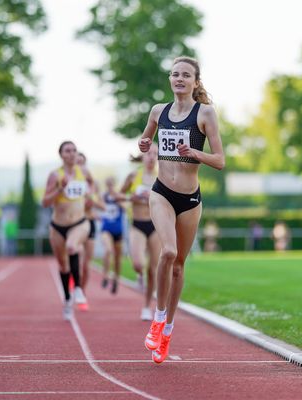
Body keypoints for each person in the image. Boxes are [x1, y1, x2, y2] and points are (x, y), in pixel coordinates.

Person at [139, 56, 224, 364]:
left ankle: (168, 331)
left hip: (189, 199)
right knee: (167, 253)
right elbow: (146, 137)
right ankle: (158, 318)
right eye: (175, 74)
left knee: (178, 266)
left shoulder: (206, 114)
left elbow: (220, 160)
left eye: (185, 75)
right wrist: (144, 143)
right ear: (170, 79)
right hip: (161, 192)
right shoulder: (158, 111)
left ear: (195, 82)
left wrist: (194, 153)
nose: (179, 79)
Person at [41, 141, 93, 320]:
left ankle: (78, 288)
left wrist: (90, 197)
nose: (71, 154)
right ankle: (68, 299)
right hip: (57, 226)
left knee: (72, 247)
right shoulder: (55, 175)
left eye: (74, 150)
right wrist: (60, 189)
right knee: (63, 265)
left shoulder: (83, 172)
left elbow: (91, 185)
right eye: (67, 151)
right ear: (61, 155)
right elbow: (45, 202)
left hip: (79, 222)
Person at [120, 144, 161, 321]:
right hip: (137, 224)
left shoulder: (163, 176)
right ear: (142, 157)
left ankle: (146, 306)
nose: (151, 157)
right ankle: (139, 274)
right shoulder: (133, 176)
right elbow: (119, 195)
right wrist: (131, 198)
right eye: (148, 153)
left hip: (157, 225)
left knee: (153, 268)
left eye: (155, 154)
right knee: (138, 263)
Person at [77, 152, 105, 310]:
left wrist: (92, 202)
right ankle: (74, 283)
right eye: (77, 163)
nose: (80, 166)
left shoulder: (94, 185)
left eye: (82, 163)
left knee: (86, 265)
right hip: (76, 223)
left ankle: (82, 291)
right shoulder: (71, 183)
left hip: (90, 223)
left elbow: (102, 206)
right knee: (78, 255)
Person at [100, 176, 126, 295]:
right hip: (106, 229)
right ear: (106, 185)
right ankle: (105, 275)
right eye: (108, 184)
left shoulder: (119, 196)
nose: (110, 187)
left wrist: (119, 201)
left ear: (114, 185)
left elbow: (126, 208)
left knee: (117, 259)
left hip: (118, 230)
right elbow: (98, 205)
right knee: (108, 250)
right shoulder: (103, 197)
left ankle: (116, 279)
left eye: (112, 184)